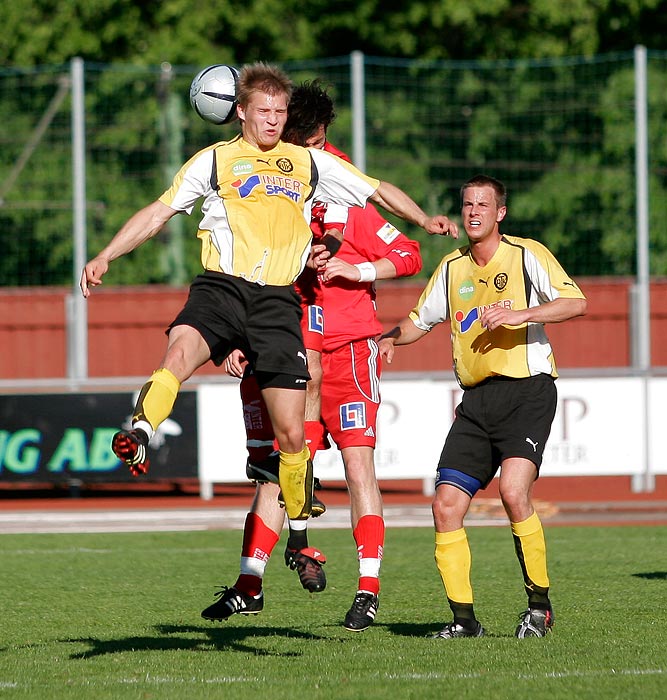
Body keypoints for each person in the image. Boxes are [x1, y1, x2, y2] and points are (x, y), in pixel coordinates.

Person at [80, 62, 457, 613]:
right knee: (179, 353)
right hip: (222, 289)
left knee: (291, 438)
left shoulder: (309, 162)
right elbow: (158, 213)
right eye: (265, 111)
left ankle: (299, 541)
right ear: (241, 111)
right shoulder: (214, 160)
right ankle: (140, 428)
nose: (274, 120)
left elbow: (376, 191)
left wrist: (424, 219)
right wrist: (106, 254)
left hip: (278, 303)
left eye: (281, 112)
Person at [201, 80, 423, 631]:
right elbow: (237, 269)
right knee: (274, 472)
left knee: (356, 465)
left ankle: (367, 590)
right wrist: (233, 339)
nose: (315, 152)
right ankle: (253, 581)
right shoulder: (270, 187)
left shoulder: (346, 192)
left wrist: (357, 268)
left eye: (318, 142)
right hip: (288, 350)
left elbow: (409, 253)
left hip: (347, 353)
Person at [378, 174, 587, 639]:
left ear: (500, 214)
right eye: (467, 204)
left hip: (528, 390)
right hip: (477, 401)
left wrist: (521, 314)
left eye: (483, 205)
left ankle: (539, 608)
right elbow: (419, 320)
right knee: (445, 506)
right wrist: (390, 339)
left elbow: (575, 302)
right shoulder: (452, 268)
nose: (473, 212)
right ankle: (464, 622)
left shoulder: (526, 254)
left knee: (514, 493)